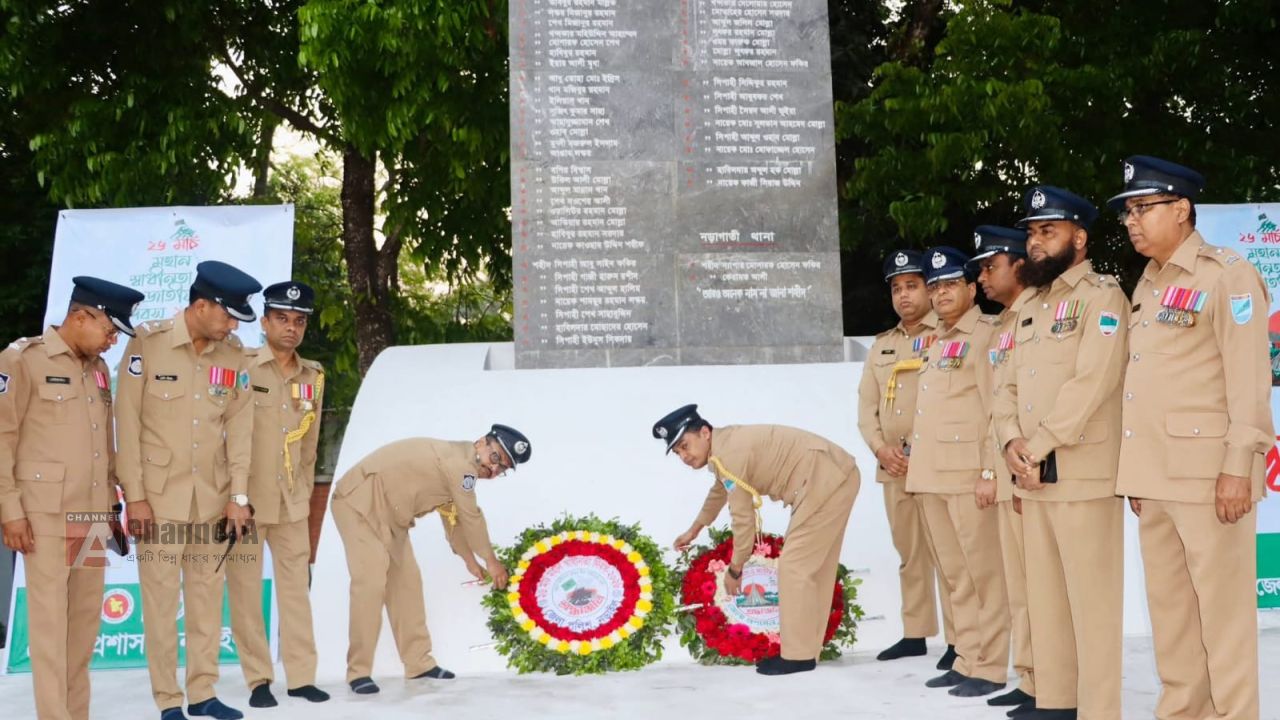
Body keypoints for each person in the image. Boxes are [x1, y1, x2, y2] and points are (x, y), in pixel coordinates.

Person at [1112, 156, 1272, 720]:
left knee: (1223, 621)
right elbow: (1144, 384)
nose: (1131, 221)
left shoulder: (1226, 275)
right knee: (1173, 618)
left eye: (1142, 208)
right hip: (1156, 479)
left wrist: (1237, 467)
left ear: (1181, 209)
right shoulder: (1149, 282)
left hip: (1210, 478)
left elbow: (1250, 379)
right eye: (1128, 211)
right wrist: (1135, 474)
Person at [993, 186, 1129, 720]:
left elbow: (1091, 383)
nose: (1035, 242)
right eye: (1031, 232)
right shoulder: (1032, 306)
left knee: (1091, 606)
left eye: (1047, 231)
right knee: (1046, 600)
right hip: (1033, 476)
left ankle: (1098, 710)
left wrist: (1036, 446)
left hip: (1082, 473)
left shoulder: (1103, 296)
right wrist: (1010, 442)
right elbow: (1005, 385)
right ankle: (1056, 701)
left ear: (1079, 236)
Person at [115, 261, 261, 720]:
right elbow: (127, 423)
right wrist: (134, 496)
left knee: (205, 600)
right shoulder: (148, 343)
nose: (233, 325)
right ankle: (168, 699)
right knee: (160, 603)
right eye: (228, 315)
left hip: (212, 500)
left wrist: (238, 497)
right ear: (202, 305)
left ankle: (203, 693)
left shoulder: (233, 355)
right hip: (157, 500)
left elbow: (240, 430)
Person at [0, 277, 142, 720]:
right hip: (43, 514)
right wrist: (10, 511)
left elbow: (106, 446)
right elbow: (2, 437)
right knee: (49, 629)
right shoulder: (22, 359)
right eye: (109, 328)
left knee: (82, 630)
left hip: (93, 515)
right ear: (81, 316)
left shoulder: (97, 368)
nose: (113, 339)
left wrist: (116, 507)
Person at [330, 426, 531, 695]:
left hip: (391, 518)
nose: (494, 470)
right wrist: (492, 561)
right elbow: (471, 516)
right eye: (496, 459)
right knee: (371, 583)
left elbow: (454, 519)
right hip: (359, 503)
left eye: (502, 469)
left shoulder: (460, 467)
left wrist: (469, 560)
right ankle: (358, 672)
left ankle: (418, 664)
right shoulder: (461, 466)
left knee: (408, 585)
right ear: (482, 442)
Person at [662, 404, 861, 676]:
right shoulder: (724, 449)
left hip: (823, 480)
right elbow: (720, 490)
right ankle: (807, 651)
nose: (683, 456)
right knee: (815, 569)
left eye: (685, 445)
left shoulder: (729, 455)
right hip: (834, 475)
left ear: (705, 432)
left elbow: (743, 520)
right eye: (677, 452)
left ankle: (798, 656)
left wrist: (735, 569)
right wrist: (695, 528)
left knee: (794, 566)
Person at [905, 246, 1009, 698]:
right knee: (955, 576)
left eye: (950, 285)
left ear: (971, 288)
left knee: (984, 575)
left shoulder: (986, 333)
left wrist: (990, 470)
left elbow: (993, 407)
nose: (940, 293)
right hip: (932, 477)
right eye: (934, 286)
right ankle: (967, 656)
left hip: (969, 475)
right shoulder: (937, 339)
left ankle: (991, 665)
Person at [225, 281, 329, 707]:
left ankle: (301, 676)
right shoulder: (241, 366)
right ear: (264, 321)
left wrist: (303, 491)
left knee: (295, 589)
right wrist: (231, 495)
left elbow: (310, 445)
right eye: (282, 319)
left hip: (290, 502)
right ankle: (258, 679)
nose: (291, 328)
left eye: (299, 321)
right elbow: (224, 434)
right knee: (247, 592)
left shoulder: (313, 376)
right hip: (246, 501)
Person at [857, 250, 956, 668]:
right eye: (896, 288)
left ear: (931, 289)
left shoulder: (950, 334)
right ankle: (916, 633)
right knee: (911, 553)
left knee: (950, 554)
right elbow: (867, 409)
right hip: (894, 467)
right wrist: (881, 448)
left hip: (937, 466)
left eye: (912, 285)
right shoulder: (882, 346)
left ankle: (960, 639)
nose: (904, 296)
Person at [969, 226, 1037, 711]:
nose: (983, 277)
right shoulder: (1002, 325)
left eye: (990, 266)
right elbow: (993, 407)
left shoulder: (1041, 313)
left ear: (1019, 263)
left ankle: (1047, 680)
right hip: (1007, 466)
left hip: (1035, 468)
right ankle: (1033, 677)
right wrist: (991, 469)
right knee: (1021, 587)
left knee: (1039, 588)